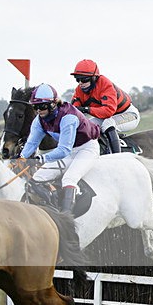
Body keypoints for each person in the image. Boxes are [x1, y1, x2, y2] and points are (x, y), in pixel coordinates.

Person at [19, 83, 101, 213]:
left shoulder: (68, 117)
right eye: (35, 107)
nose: (39, 110)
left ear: (53, 104)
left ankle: (66, 216)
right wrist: (22, 158)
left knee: (69, 178)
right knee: (37, 178)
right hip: (69, 152)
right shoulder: (39, 120)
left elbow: (64, 150)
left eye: (42, 106)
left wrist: (42, 158)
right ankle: (49, 208)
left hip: (87, 149)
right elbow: (32, 143)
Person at [70, 59, 140, 154]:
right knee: (87, 126)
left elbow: (108, 111)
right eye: (78, 79)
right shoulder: (79, 89)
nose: (80, 83)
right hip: (107, 117)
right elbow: (74, 109)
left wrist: (86, 109)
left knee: (108, 123)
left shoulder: (106, 85)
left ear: (94, 78)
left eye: (84, 79)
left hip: (129, 114)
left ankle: (117, 156)